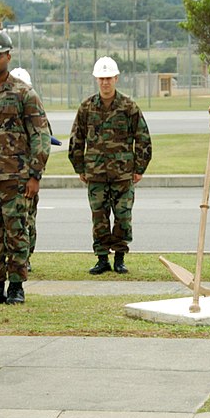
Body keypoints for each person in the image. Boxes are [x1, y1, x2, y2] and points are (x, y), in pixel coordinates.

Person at [0, 32, 50, 306]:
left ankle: (16, 286)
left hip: (15, 177)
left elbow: (40, 135)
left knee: (16, 231)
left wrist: (34, 174)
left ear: (8, 56)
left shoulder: (23, 93)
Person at [69, 56, 152, 275]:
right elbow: (76, 139)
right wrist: (80, 168)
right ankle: (102, 258)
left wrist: (139, 168)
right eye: (101, 78)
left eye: (108, 78)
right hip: (95, 174)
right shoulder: (87, 107)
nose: (105, 82)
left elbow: (142, 137)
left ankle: (120, 257)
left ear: (116, 78)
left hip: (123, 174)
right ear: (96, 80)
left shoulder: (128, 107)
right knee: (99, 217)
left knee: (123, 216)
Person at [8, 67, 62, 273]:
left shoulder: (35, 111)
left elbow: (45, 140)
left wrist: (35, 174)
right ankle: (11, 259)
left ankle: (25, 258)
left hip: (27, 175)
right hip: (7, 175)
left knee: (27, 219)